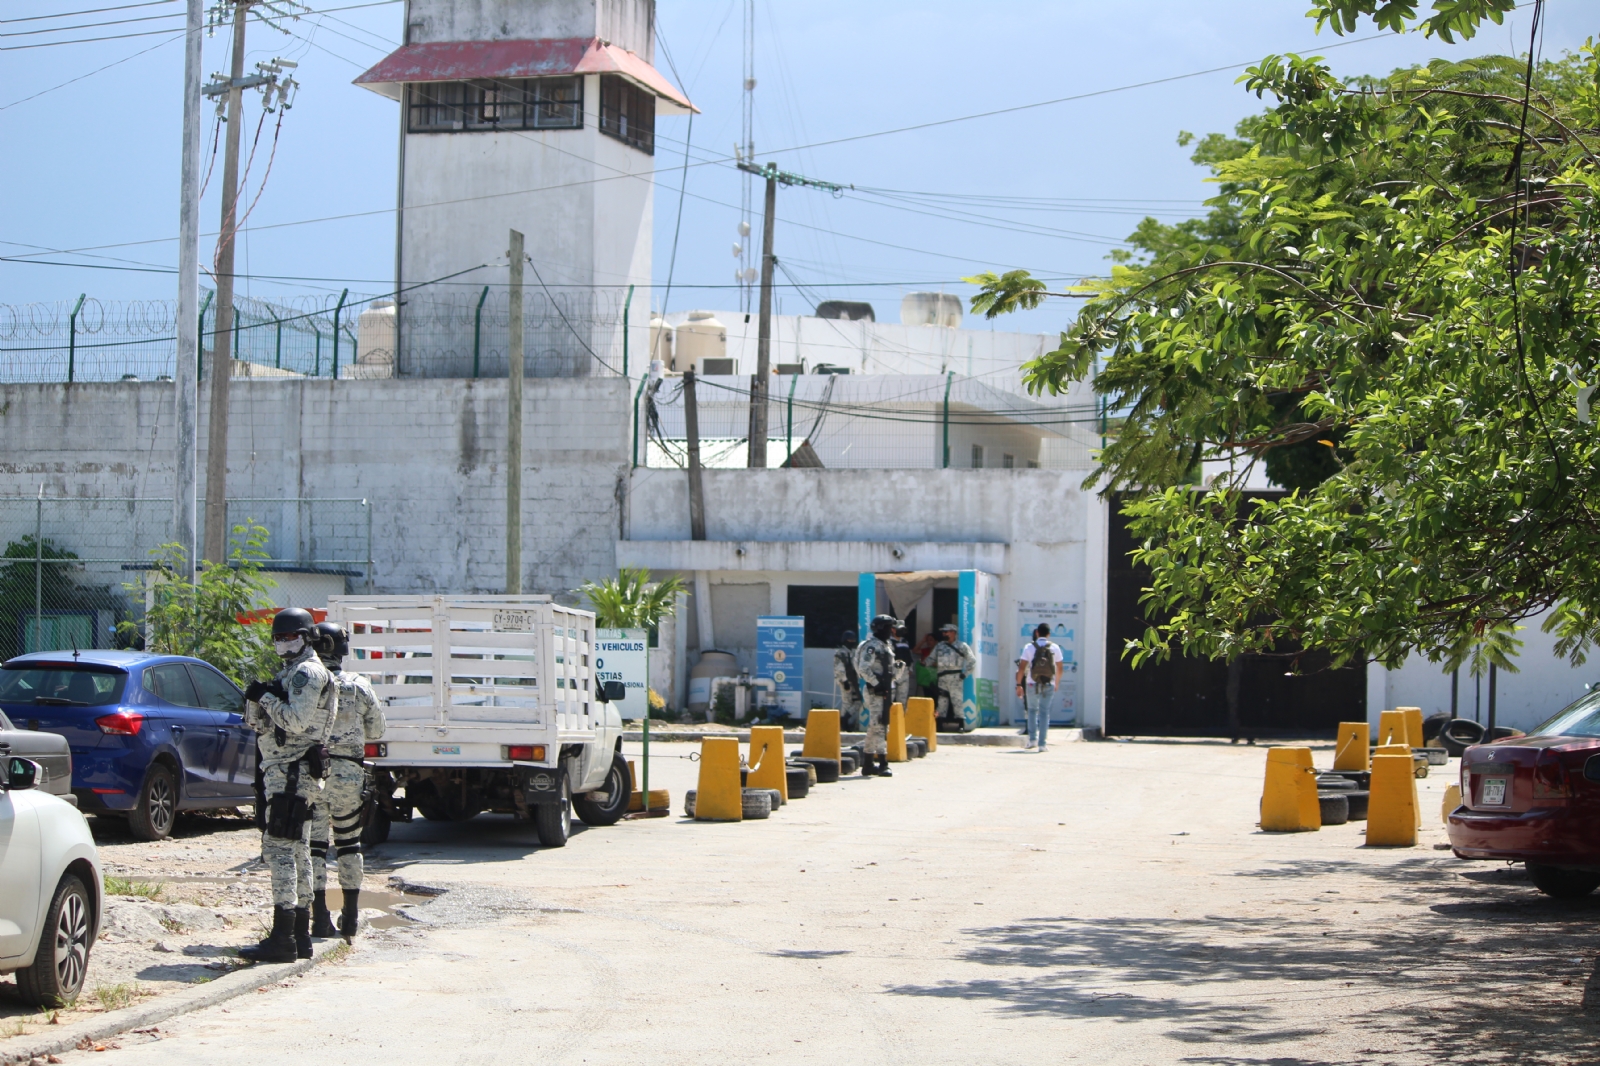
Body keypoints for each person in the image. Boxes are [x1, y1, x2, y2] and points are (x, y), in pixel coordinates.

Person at [238, 608, 337, 963]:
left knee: (279, 849)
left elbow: (295, 721)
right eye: (278, 638)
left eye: (289, 636)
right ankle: (297, 936)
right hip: (289, 772)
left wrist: (265, 697)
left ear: (307, 637)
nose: (283, 643)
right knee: (297, 851)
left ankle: (283, 939)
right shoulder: (292, 672)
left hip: (291, 773)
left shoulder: (307, 673)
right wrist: (259, 698)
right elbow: (258, 723)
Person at [308, 622, 386, 942]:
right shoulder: (358, 685)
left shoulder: (305, 683)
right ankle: (351, 916)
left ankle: (319, 918)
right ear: (342, 650)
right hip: (349, 775)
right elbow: (378, 730)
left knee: (313, 849)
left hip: (312, 774)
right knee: (349, 845)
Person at [853, 614, 899, 777]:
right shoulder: (871, 646)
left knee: (876, 726)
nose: (892, 631)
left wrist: (898, 671)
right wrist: (876, 684)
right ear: (881, 628)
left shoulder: (886, 646)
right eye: (889, 627)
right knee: (880, 726)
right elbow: (863, 668)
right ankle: (883, 762)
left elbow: (890, 671)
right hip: (875, 691)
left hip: (886, 690)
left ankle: (868, 763)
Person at [1015, 624, 1064, 751]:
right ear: (1049, 634)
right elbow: (1060, 668)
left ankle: (1032, 740)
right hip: (1049, 683)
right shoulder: (1055, 647)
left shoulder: (1029, 647)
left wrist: (1019, 684)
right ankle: (1042, 744)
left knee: (1032, 710)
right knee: (1044, 712)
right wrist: (1056, 682)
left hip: (1032, 683)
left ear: (1037, 633)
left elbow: (1021, 668)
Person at [927, 623, 976, 732]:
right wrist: (930, 672)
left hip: (955, 677)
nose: (944, 634)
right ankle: (939, 725)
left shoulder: (962, 646)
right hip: (942, 677)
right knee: (942, 702)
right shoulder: (939, 646)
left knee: (957, 701)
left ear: (953, 633)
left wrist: (965, 674)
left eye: (946, 632)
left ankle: (961, 725)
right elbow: (929, 660)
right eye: (943, 632)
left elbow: (972, 661)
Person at [833, 629, 864, 731]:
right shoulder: (840, 653)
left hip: (854, 680)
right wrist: (845, 681)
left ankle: (845, 719)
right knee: (846, 703)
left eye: (853, 640)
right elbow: (839, 669)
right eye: (850, 640)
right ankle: (843, 723)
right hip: (845, 681)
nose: (852, 642)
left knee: (858, 701)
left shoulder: (851, 652)